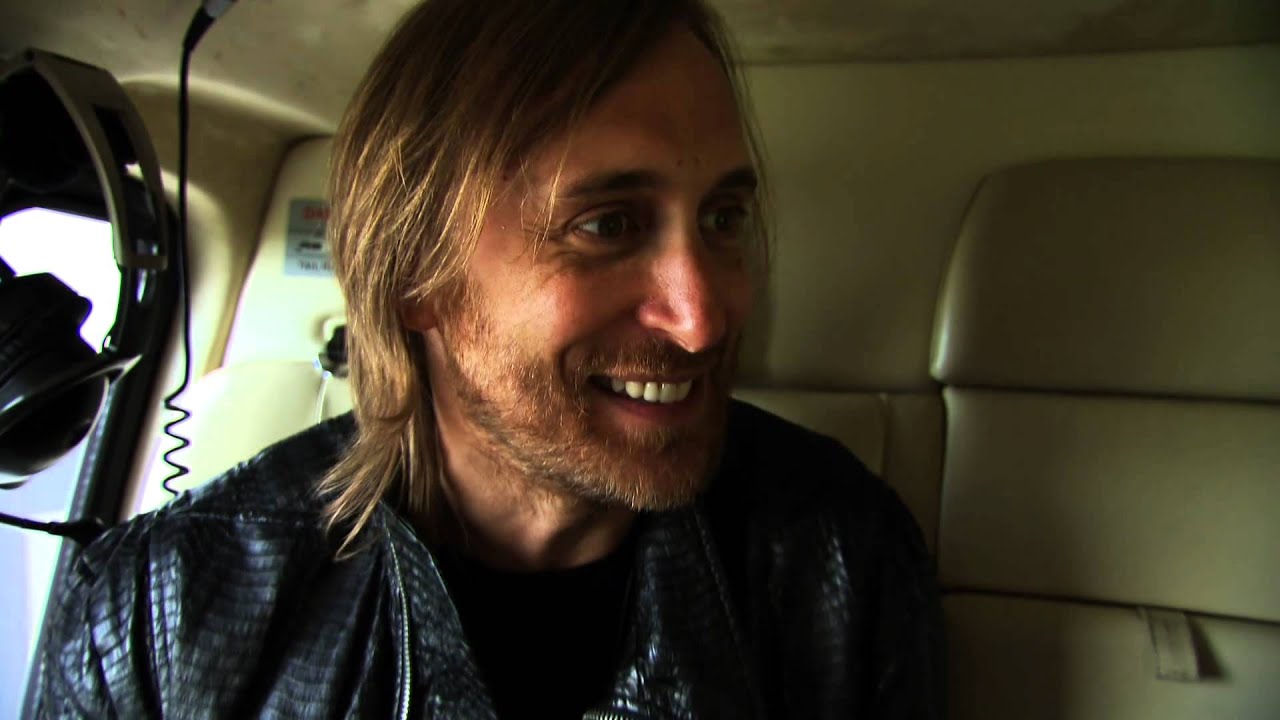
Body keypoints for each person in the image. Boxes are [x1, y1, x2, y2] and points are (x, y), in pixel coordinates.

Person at [38, 0, 943, 717]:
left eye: (723, 219)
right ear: (414, 278)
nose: (703, 321)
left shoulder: (842, 562)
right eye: (607, 225)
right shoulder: (158, 620)